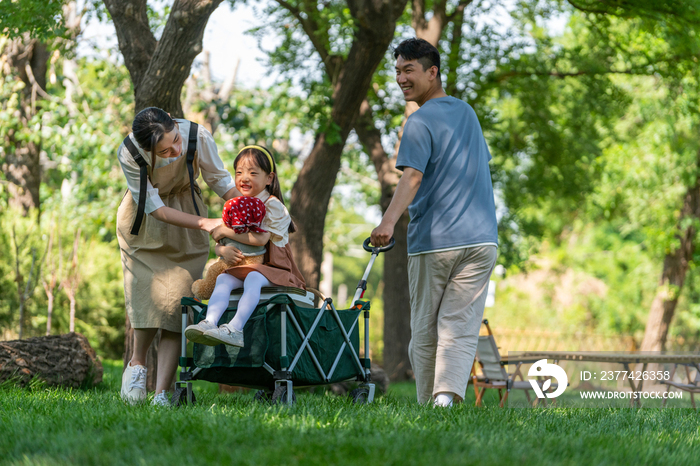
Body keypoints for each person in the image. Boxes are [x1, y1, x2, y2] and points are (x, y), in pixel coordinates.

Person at [371, 38, 498, 407]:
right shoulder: (467, 113)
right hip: (481, 239)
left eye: (408, 69)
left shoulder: (418, 121)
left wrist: (387, 223)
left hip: (437, 240)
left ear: (432, 71)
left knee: (426, 330)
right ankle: (445, 403)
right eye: (397, 70)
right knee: (459, 328)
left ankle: (431, 406)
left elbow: (413, 177)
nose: (400, 78)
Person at [116, 107, 243, 406]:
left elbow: (221, 182)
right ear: (149, 150)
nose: (175, 149)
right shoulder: (130, 153)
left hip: (187, 222)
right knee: (146, 297)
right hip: (145, 225)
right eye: (165, 150)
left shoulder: (197, 135)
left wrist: (260, 206)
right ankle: (136, 365)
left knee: (177, 307)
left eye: (175, 140)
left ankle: (162, 392)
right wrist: (208, 224)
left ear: (174, 121)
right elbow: (156, 208)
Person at [184, 145, 305, 348]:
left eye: (253, 172)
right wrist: (222, 250)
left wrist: (224, 230)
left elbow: (260, 240)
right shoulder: (237, 205)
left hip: (275, 267)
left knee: (253, 278)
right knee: (223, 278)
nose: (244, 177)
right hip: (245, 264)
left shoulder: (273, 205)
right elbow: (221, 245)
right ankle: (210, 322)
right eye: (239, 172)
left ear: (269, 178)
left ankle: (235, 328)